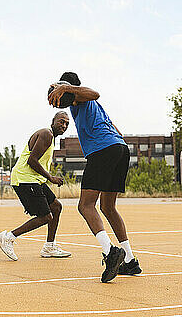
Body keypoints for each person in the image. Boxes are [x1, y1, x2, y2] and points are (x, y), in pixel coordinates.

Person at [48, 72, 141, 283]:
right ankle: (130, 260)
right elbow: (115, 129)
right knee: (108, 207)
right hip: (119, 148)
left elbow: (95, 92)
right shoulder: (87, 106)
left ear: (68, 87)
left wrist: (66, 88)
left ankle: (110, 253)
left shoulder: (81, 96)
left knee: (85, 205)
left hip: (104, 150)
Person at [0, 112, 72, 261]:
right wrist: (51, 178)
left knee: (56, 207)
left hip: (35, 179)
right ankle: (8, 237)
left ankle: (49, 247)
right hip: (25, 179)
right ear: (53, 121)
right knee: (45, 216)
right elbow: (32, 160)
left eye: (67, 123)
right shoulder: (46, 134)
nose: (64, 125)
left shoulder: (51, 138)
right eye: (61, 122)